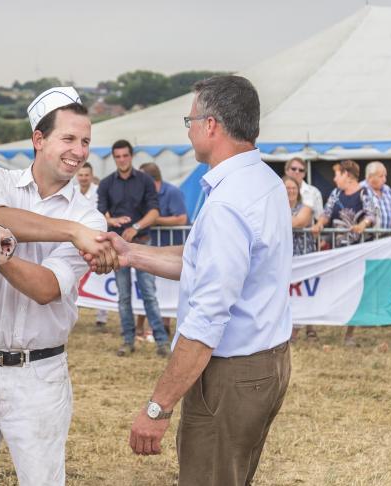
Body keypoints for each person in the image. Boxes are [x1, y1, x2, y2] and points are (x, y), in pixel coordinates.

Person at [84, 75, 291, 486]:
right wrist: (131, 254)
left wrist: (157, 408)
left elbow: (208, 318)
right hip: (265, 361)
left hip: (230, 373)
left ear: (211, 125)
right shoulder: (262, 181)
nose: (190, 128)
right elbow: (202, 262)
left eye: (190, 120)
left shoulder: (228, 203)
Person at [0, 87, 110, 486]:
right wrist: (70, 232)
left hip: (39, 376)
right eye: (68, 138)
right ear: (38, 139)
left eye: (85, 141)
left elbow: (47, 288)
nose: (79, 151)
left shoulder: (91, 219)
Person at [97, 139, 169, 357]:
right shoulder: (106, 184)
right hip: (118, 248)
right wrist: (113, 221)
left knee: (149, 293)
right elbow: (100, 213)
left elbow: (154, 212)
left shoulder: (145, 181)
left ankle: (161, 341)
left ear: (131, 156)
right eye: (117, 156)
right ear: (114, 158)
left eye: (125, 155)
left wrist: (135, 227)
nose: (121, 160)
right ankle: (127, 340)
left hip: (142, 244)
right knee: (124, 296)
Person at [311, 160, 376, 346]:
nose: (334, 178)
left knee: (355, 290)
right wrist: (320, 224)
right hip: (338, 250)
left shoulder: (364, 193)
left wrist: (362, 225)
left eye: (337, 174)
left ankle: (350, 334)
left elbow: (371, 214)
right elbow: (327, 212)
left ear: (347, 174)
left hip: (358, 251)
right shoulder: (336, 193)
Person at [135, 162, 188, 340]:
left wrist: (155, 220)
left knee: (165, 290)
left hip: (169, 249)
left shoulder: (172, 192)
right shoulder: (143, 193)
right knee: (146, 288)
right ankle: (140, 327)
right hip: (149, 246)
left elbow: (181, 219)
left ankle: (164, 327)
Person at [285, 175, 318, 342]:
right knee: (289, 294)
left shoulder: (304, 206)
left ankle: (309, 328)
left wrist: (280, 221)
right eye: (287, 187)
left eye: (293, 188)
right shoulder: (276, 206)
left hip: (304, 253)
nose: (291, 191)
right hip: (284, 256)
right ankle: (290, 329)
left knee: (307, 292)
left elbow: (300, 221)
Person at [76, 162, 109, 329]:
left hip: (96, 239)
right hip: (76, 239)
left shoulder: (98, 191)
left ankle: (101, 317)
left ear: (91, 175)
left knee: (98, 275)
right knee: (75, 276)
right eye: (80, 175)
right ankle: (73, 313)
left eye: (86, 175)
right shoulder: (72, 191)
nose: (83, 178)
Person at [361, 161, 391, 229]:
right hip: (369, 238)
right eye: (381, 176)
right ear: (370, 177)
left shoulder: (387, 190)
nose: (385, 180)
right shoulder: (361, 189)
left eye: (385, 176)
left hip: (389, 237)